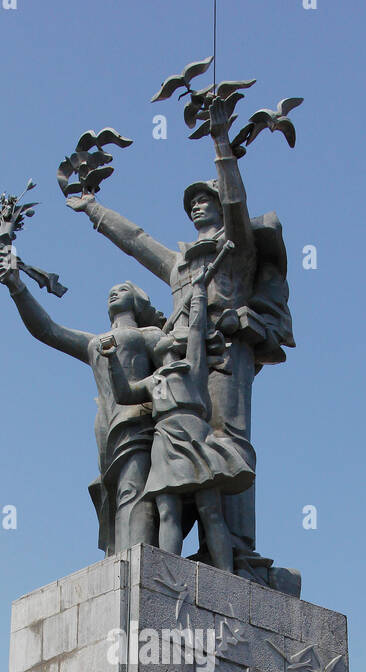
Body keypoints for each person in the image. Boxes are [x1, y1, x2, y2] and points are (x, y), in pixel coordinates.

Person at [67, 97, 294, 576]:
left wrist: (219, 143)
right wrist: (92, 208)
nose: (196, 204)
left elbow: (237, 206)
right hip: (180, 365)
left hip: (225, 357)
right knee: (174, 466)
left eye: (204, 197)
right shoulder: (179, 266)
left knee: (227, 447)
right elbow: (136, 239)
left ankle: (234, 552)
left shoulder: (236, 251)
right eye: (192, 200)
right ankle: (166, 555)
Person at [0, 225, 164, 554]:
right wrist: (17, 288)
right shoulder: (94, 344)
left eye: (122, 289)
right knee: (114, 495)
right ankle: (119, 560)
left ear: (139, 300)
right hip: (105, 428)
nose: (113, 293)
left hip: (138, 422)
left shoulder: (148, 336)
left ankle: (139, 560)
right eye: (110, 291)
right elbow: (47, 330)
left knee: (136, 491)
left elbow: (175, 369)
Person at [100, 266, 254, 571]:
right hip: (164, 439)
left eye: (174, 337)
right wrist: (112, 362)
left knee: (209, 508)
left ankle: (225, 575)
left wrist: (198, 291)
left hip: (195, 436)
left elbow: (196, 328)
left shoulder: (193, 368)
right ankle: (168, 571)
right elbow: (125, 394)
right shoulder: (154, 380)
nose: (166, 338)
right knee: (166, 508)